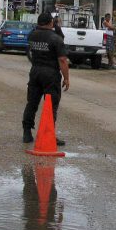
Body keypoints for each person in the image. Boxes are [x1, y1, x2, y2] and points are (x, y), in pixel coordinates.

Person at [23, 12, 71, 145]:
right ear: (51, 23)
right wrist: (66, 78)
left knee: (32, 103)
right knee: (51, 105)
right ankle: (48, 134)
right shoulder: (55, 38)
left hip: (35, 71)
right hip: (51, 74)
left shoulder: (32, 35)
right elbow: (62, 59)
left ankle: (27, 132)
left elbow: (29, 53)